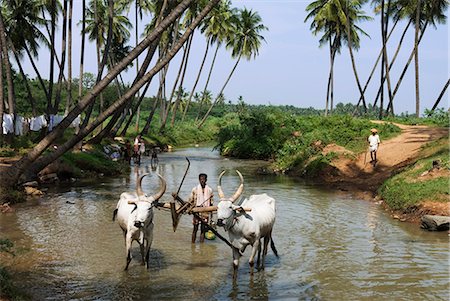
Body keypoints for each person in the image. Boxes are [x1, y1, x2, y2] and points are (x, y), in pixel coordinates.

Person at [189, 173, 213, 243]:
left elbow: (211, 203)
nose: (202, 181)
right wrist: (191, 208)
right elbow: (191, 200)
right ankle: (192, 244)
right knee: (195, 229)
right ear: (199, 180)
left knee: (203, 229)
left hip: (205, 211)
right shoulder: (195, 189)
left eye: (204, 179)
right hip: (196, 211)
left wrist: (211, 214)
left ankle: (202, 246)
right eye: (201, 179)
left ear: (206, 180)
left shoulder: (209, 190)